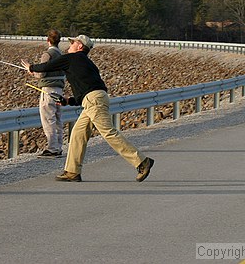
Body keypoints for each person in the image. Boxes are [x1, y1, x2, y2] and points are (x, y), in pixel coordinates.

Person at [21, 34, 154, 182]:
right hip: (94, 99)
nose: (69, 45)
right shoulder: (87, 64)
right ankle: (72, 171)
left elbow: (47, 66)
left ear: (80, 46)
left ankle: (142, 162)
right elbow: (85, 90)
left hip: (93, 101)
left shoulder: (72, 58)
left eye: (73, 43)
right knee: (78, 134)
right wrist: (68, 100)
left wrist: (31, 67)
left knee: (109, 133)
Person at [32, 29, 67, 158]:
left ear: (48, 40)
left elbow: (41, 73)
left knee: (48, 119)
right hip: (59, 90)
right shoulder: (62, 55)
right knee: (58, 118)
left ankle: (52, 148)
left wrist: (32, 72)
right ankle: (58, 147)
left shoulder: (48, 54)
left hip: (48, 90)